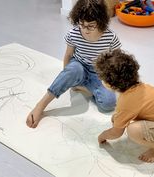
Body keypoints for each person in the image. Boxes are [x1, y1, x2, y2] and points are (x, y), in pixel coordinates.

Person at [26, 0, 121, 128]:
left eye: (91, 26)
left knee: (109, 104)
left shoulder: (110, 37)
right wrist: (67, 75)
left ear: (100, 21)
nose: (85, 29)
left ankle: (83, 87)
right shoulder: (74, 33)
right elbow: (68, 56)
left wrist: (112, 80)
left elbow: (116, 60)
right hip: (79, 67)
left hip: (99, 72)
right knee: (73, 69)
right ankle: (40, 105)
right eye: (82, 24)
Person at [95, 49, 154, 163]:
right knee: (117, 118)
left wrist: (102, 136)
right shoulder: (138, 87)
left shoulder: (126, 101)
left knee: (133, 131)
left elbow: (116, 133)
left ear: (109, 84)